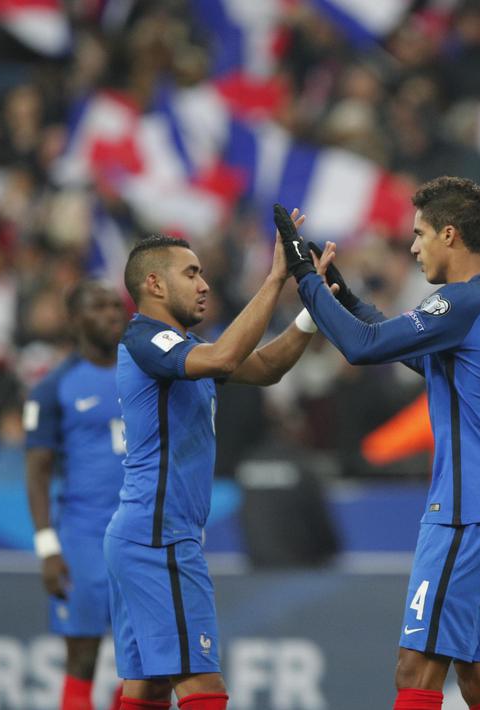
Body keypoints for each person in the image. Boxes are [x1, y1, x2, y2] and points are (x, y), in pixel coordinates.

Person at [285, 176, 480, 710]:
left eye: (419, 234)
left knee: (415, 671)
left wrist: (303, 277)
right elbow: (401, 343)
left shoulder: (463, 304)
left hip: (468, 514)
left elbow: (362, 347)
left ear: (450, 234)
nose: (414, 247)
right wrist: (344, 296)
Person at [105, 211, 319, 710]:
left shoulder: (179, 347)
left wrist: (312, 310)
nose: (203, 285)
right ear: (153, 283)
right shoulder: (145, 340)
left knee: (148, 688)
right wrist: (274, 278)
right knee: (204, 690)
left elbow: (264, 367)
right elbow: (225, 358)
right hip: (159, 537)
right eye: (191, 273)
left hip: (144, 534)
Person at [25, 281, 128, 710]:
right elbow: (37, 471)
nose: (112, 314)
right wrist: (48, 547)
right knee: (83, 656)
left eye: (115, 306)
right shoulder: (54, 387)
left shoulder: (145, 371)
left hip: (139, 534)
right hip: (84, 534)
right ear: (75, 320)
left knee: (147, 661)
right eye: (98, 307)